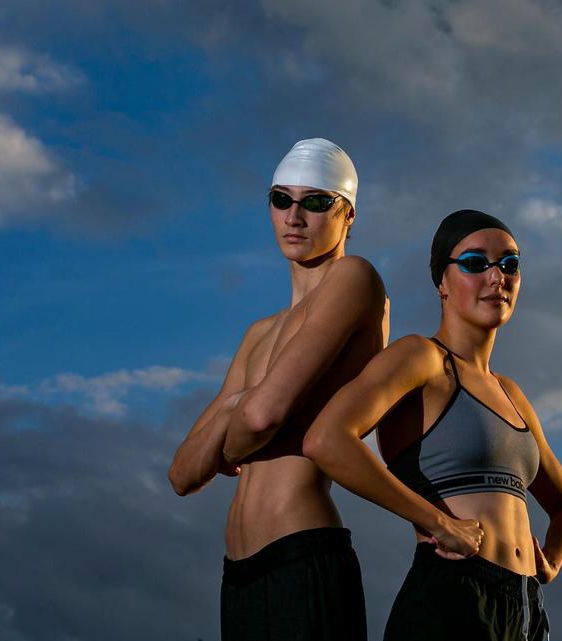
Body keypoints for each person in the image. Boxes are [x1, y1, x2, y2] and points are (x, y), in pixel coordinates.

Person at [303, 209, 562, 641]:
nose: (497, 277)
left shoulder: (511, 393)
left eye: (509, 264)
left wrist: (550, 561)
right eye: (476, 263)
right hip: (452, 595)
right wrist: (436, 522)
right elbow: (326, 440)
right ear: (442, 282)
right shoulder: (422, 359)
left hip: (525, 609)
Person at [168, 138, 397, 641]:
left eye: (316, 202)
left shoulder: (354, 279)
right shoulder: (259, 333)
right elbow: (182, 474)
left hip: (303, 552)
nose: (295, 216)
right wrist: (236, 404)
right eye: (281, 200)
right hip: (239, 575)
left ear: (348, 216)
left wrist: (237, 417)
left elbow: (262, 418)